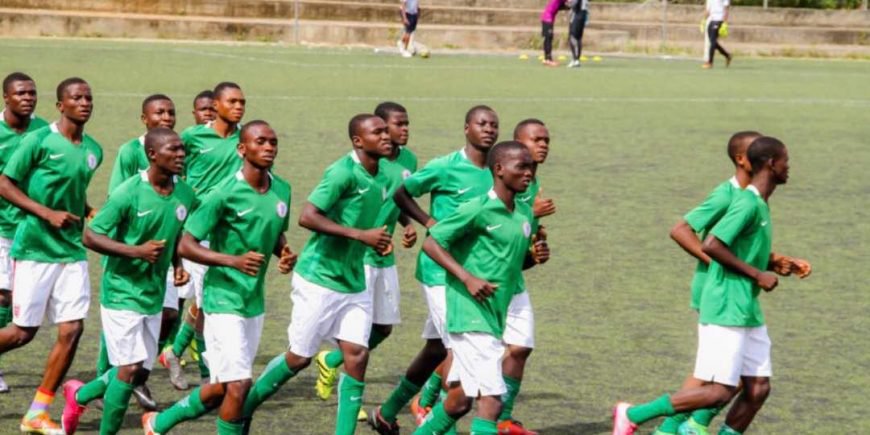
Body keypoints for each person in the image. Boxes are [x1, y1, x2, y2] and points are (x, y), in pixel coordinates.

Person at [612, 137, 812, 435]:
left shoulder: (758, 203)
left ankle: (686, 428)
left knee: (758, 388)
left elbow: (741, 249)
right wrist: (757, 275)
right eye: (786, 161)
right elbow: (713, 244)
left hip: (746, 307)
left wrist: (773, 263)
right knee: (719, 390)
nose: (789, 167)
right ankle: (633, 415)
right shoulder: (744, 202)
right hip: (726, 306)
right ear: (771, 163)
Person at [238, 114, 391, 435]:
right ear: (358, 141)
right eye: (378, 132)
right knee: (298, 359)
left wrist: (378, 242)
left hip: (353, 281)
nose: (386, 135)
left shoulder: (382, 175)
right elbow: (308, 216)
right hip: (319, 279)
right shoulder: (342, 172)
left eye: (386, 130)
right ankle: (245, 408)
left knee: (357, 355)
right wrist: (361, 236)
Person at [143, 120, 296, 435]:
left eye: (273, 142)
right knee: (239, 385)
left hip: (253, 301)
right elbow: (186, 243)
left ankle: (158, 423)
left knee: (222, 388)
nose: (269, 147)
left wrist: (285, 253)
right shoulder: (223, 193)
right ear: (242, 149)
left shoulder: (283, 189)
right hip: (221, 298)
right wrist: (232, 261)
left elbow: (275, 232)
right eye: (261, 141)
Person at [367, 105, 498, 434]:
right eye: (481, 123)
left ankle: (387, 411)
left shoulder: (497, 170)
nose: (489, 130)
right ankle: (440, 423)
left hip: (470, 274)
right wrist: (427, 222)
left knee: (437, 348)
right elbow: (402, 193)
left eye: (494, 125)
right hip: (440, 272)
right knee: (456, 347)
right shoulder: (445, 167)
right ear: (466, 128)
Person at [60, 127, 195, 435]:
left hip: (153, 291)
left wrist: (178, 264)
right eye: (173, 150)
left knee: (140, 370)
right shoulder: (129, 192)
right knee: (130, 368)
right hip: (121, 291)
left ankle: (78, 395)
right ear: (152, 155)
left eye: (182, 150)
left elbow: (176, 234)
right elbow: (90, 235)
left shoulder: (185, 194)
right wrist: (136, 251)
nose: (181, 155)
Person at [412, 141, 549, 435]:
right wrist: (466, 278)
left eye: (531, 168)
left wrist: (534, 258)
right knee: (492, 402)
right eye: (521, 167)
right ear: (499, 170)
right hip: (470, 314)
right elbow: (432, 243)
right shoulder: (478, 208)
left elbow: (511, 266)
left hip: (493, 316)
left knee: (459, 402)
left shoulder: (524, 214)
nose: (529, 174)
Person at [0, 77, 103, 433]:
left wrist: (88, 211)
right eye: (76, 98)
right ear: (61, 105)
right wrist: (45, 213)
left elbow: (68, 190)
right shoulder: (38, 140)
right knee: (21, 333)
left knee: (72, 328)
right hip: (34, 248)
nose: (85, 103)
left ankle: (37, 412)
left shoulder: (94, 150)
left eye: (88, 97)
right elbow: (4, 183)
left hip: (71, 251)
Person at [315, 102, 418, 405]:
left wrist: (406, 224)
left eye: (404, 124)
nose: (402, 130)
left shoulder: (409, 159)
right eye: (395, 125)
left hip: (385, 253)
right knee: (355, 341)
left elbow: (394, 196)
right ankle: (350, 400)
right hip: (361, 255)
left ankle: (331, 361)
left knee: (384, 327)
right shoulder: (369, 163)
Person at [159, 82, 246, 390]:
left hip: (230, 232)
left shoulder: (245, 139)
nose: (238, 107)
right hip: (197, 229)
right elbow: (167, 167)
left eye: (242, 102)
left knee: (208, 301)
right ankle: (207, 373)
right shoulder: (193, 137)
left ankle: (179, 354)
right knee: (207, 302)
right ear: (216, 106)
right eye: (231, 102)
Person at [96, 93, 178, 411]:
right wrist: (130, 249)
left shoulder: (177, 151)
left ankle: (135, 375)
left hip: (162, 253)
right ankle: (110, 379)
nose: (166, 118)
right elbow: (116, 199)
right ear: (145, 119)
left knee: (168, 314)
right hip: (129, 250)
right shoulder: (130, 152)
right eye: (159, 113)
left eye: (170, 112)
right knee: (120, 323)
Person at [491, 119, 557, 435]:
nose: (543, 145)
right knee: (463, 354)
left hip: (512, 281)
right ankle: (428, 403)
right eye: (536, 139)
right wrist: (533, 214)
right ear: (517, 142)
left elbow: (517, 246)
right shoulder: (501, 182)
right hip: (483, 284)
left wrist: (535, 253)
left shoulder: (533, 186)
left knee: (520, 347)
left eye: (546, 140)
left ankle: (503, 418)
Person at [0, 71, 49, 394]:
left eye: (32, 92)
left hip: (32, 230)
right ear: (6, 98)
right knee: (3, 296)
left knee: (24, 309)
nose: (28, 98)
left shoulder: (44, 130)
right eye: (21, 93)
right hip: (2, 228)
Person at [703, 0, 732, 69]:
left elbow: (726, 9)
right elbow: (708, 9)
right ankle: (727, 55)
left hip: (719, 19)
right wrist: (703, 20)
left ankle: (710, 62)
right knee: (713, 42)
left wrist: (725, 23)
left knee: (713, 42)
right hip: (711, 20)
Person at [540, 0, 568, 67]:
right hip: (547, 18)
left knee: (548, 38)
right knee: (548, 38)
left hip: (548, 18)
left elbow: (561, 7)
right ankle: (548, 59)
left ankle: (547, 58)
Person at [567, 0, 589, 68]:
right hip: (582, 14)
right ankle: (577, 60)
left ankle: (575, 59)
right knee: (578, 38)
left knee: (572, 37)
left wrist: (569, 4)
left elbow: (575, 3)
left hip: (578, 15)